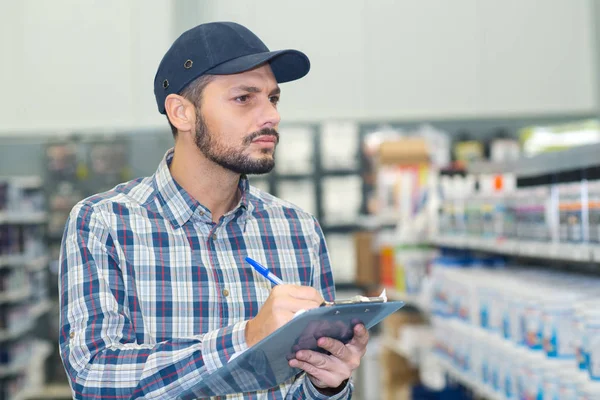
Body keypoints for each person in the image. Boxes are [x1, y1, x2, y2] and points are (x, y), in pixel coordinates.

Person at [58, 21, 368, 399]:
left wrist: (327, 385)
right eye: (244, 98)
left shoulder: (298, 230)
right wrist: (247, 338)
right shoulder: (105, 223)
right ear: (182, 113)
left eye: (273, 98)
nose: (271, 115)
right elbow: (94, 378)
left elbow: (302, 388)